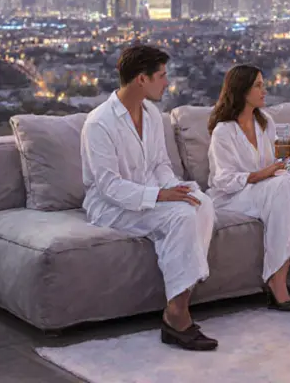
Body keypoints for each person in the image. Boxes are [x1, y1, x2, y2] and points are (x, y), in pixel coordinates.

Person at [81, 45, 217, 351]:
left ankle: (182, 295)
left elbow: (159, 165)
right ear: (141, 79)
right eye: (161, 76)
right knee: (181, 215)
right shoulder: (99, 122)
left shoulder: (152, 114)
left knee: (201, 202)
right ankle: (177, 317)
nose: (167, 83)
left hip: (149, 196)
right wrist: (160, 196)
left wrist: (175, 190)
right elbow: (108, 186)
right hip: (110, 206)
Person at [207, 64, 290, 312]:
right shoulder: (223, 131)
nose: (264, 90)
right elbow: (222, 180)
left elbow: (276, 167)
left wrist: (280, 170)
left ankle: (279, 276)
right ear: (242, 90)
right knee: (285, 188)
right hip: (232, 196)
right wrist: (263, 174)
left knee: (288, 185)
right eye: (258, 85)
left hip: (270, 190)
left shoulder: (265, 122)